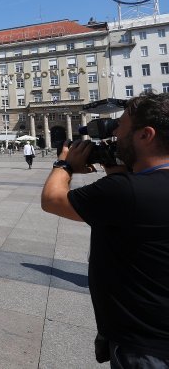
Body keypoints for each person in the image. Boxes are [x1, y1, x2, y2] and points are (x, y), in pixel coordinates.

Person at [41, 92, 169, 366]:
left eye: (119, 128)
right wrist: (116, 163)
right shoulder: (137, 189)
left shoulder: (128, 192)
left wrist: (64, 164)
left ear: (145, 135)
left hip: (144, 344)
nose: (114, 135)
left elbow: (52, 200)